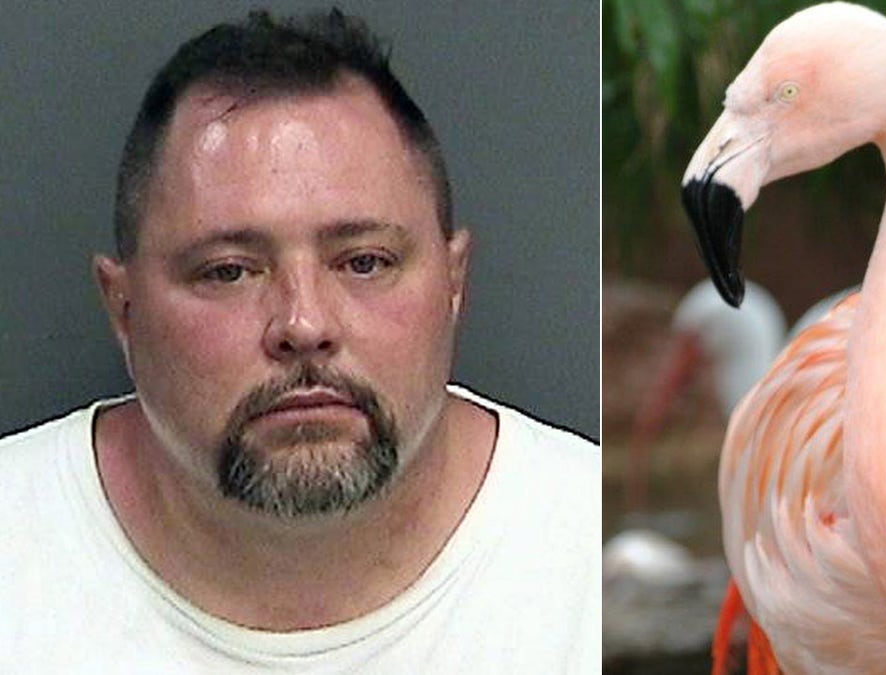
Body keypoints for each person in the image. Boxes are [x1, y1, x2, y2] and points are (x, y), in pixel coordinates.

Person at [0, 9, 599, 672]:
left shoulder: (591, 555)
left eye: (364, 261)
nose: (305, 324)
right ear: (124, 308)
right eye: (228, 270)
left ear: (454, 282)